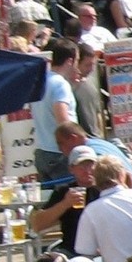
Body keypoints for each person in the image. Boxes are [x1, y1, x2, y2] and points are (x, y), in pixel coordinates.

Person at [31, 39, 79, 184]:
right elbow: (63, 121)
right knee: (71, 201)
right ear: (70, 61)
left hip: (42, 151)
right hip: (59, 154)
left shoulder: (42, 81)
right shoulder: (60, 84)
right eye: (77, 60)